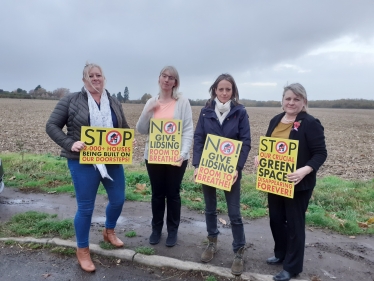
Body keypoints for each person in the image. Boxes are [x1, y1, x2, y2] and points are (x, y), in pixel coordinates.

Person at [46, 63, 129, 272]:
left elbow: (123, 128)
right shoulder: (71, 100)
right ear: (84, 80)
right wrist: (69, 143)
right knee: (86, 208)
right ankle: (82, 249)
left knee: (118, 199)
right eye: (90, 76)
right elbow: (52, 126)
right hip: (82, 161)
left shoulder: (114, 101)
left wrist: (127, 140)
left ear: (104, 78)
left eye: (98, 75)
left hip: (111, 160)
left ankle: (108, 231)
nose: (95, 79)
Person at [254, 83, 327, 281]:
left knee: (295, 225)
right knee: (276, 219)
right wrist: (261, 157)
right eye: (288, 98)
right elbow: (271, 146)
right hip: (275, 181)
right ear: (282, 100)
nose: (291, 102)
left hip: (298, 184)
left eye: (296, 99)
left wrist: (304, 170)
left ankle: (292, 267)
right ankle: (281, 253)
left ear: (304, 102)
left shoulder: (310, 123)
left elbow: (320, 153)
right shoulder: (276, 120)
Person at [192, 74, 251, 276]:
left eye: (228, 89)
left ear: (233, 91)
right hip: (209, 167)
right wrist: (197, 165)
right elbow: (199, 138)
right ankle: (211, 243)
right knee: (210, 209)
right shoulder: (205, 111)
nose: (224, 93)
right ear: (214, 90)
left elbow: (245, 141)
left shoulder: (240, 112)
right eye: (221, 89)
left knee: (234, 213)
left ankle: (239, 251)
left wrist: (237, 167)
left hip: (230, 170)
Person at [136, 66, 193, 247]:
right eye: (164, 76)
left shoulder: (182, 102)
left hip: (176, 157)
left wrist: (183, 154)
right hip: (154, 156)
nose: (167, 80)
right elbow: (141, 129)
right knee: (157, 194)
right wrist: (147, 112)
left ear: (176, 82)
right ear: (159, 79)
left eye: (171, 77)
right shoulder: (151, 102)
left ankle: (173, 231)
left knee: (173, 194)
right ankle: (156, 229)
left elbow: (188, 130)